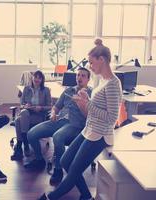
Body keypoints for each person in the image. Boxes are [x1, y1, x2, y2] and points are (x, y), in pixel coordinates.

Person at [39, 39, 123, 200]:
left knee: (74, 171)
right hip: (89, 130)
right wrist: (85, 99)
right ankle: (86, 196)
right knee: (65, 162)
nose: (90, 66)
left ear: (102, 60)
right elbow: (96, 107)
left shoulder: (113, 84)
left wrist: (88, 104)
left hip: (100, 135)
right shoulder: (102, 80)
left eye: (91, 63)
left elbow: (112, 118)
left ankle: (50, 197)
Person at [25, 68, 92, 185]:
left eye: (83, 76)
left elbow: (91, 115)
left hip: (75, 124)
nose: (79, 78)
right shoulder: (69, 90)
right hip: (59, 120)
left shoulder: (91, 94)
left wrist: (82, 102)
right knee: (31, 134)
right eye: (78, 75)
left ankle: (58, 169)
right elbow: (56, 106)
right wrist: (53, 113)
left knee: (57, 137)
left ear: (88, 79)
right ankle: (39, 160)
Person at [11, 70, 52, 160]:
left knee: (18, 120)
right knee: (23, 113)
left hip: (39, 115)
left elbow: (49, 106)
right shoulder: (26, 89)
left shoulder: (46, 90)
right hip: (27, 113)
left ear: (42, 80)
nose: (37, 79)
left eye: (39, 78)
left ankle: (20, 147)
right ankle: (25, 144)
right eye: (35, 77)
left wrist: (40, 108)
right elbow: (21, 105)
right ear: (32, 78)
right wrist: (25, 106)